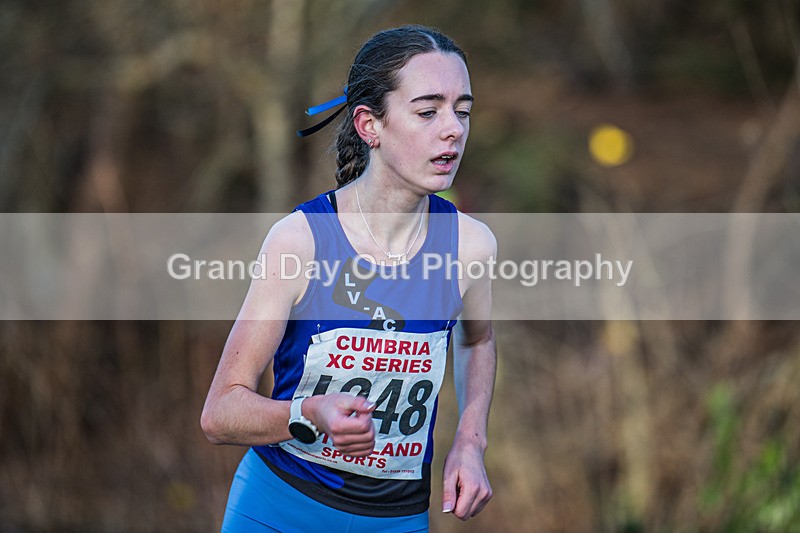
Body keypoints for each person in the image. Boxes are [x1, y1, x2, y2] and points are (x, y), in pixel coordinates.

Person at [201, 25, 497, 532]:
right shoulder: (300, 241)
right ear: (369, 125)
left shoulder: (471, 246)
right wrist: (308, 413)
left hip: (398, 518)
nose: (453, 129)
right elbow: (220, 413)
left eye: (462, 111)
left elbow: (477, 339)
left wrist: (470, 442)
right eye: (428, 112)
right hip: (278, 510)